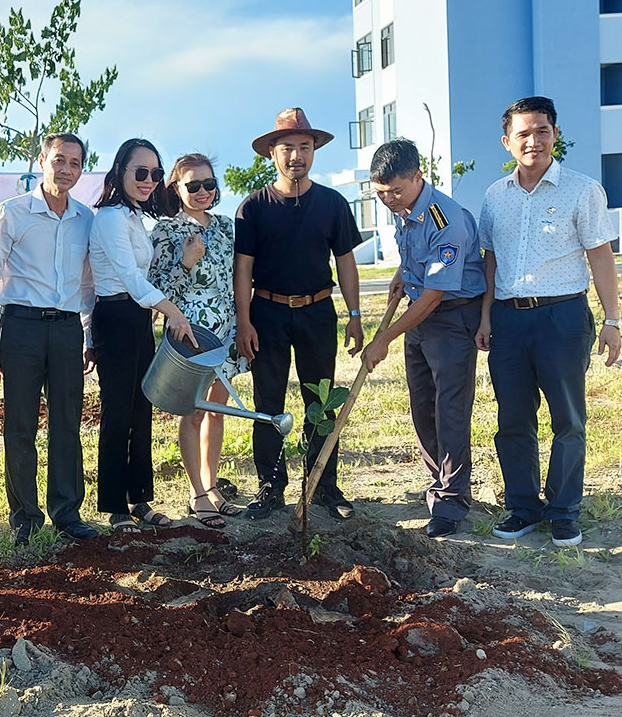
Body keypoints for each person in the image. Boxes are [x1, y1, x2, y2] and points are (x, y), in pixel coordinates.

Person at [476, 96, 621, 549]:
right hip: (508, 319)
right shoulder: (495, 196)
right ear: (507, 142)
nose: (533, 140)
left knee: (568, 420)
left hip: (563, 317)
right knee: (513, 419)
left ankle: (564, 512)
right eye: (523, 133)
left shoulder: (582, 190)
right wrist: (485, 318)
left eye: (541, 130)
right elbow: (490, 261)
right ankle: (523, 508)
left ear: (554, 135)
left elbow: (600, 255)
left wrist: (612, 319)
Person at [234, 108, 364, 521]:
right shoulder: (252, 208)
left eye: (304, 147)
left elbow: (345, 262)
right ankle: (270, 488)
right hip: (266, 313)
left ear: (314, 151)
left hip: (318, 313)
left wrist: (356, 314)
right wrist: (244, 320)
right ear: (272, 153)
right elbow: (243, 269)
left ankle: (322, 486)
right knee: (268, 403)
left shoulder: (332, 203)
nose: (296, 156)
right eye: (287, 147)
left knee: (321, 402)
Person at [0, 133, 98, 546]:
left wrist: (87, 335)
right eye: (59, 160)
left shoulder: (86, 219)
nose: (66, 169)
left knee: (67, 422)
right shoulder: (10, 213)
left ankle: (67, 513)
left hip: (66, 330)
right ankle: (24, 517)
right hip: (21, 326)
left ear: (82, 169)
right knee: (20, 424)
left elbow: (87, 283)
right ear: (42, 160)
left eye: (75, 163)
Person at [360, 139, 486, 538]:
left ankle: (451, 502)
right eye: (381, 193)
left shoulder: (444, 217)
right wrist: (404, 271)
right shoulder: (403, 208)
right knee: (422, 407)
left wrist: (383, 340)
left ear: (418, 177)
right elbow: (418, 258)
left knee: (449, 409)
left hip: (450, 317)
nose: (389, 200)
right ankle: (439, 484)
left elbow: (435, 295)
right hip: (420, 313)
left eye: (396, 190)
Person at [90, 138, 196, 534]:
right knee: (118, 412)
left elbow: (143, 280)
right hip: (115, 317)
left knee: (142, 408)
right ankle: (116, 506)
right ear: (120, 171)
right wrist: (171, 311)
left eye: (155, 173)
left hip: (136, 319)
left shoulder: (135, 217)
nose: (148, 180)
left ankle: (139, 498)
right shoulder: (109, 218)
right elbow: (131, 279)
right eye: (140, 172)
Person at [149, 153, 245, 528]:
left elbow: (234, 279)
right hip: (190, 334)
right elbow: (156, 290)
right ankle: (197, 494)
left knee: (217, 410)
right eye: (193, 185)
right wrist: (187, 261)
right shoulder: (166, 230)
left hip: (226, 330)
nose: (202, 191)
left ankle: (212, 485)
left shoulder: (224, 227)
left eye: (208, 184)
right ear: (177, 188)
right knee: (193, 412)